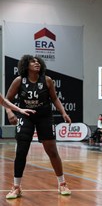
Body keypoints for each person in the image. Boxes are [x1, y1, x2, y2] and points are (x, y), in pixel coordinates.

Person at [5, 55, 72, 199]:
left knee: (52, 151)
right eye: (32, 61)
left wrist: (64, 113)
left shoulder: (47, 80)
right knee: (21, 151)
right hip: (25, 116)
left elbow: (54, 98)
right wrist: (10, 112)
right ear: (26, 65)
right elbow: (6, 100)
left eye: (38, 61)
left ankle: (62, 184)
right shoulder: (19, 81)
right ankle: (16, 187)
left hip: (44, 116)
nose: (36, 63)